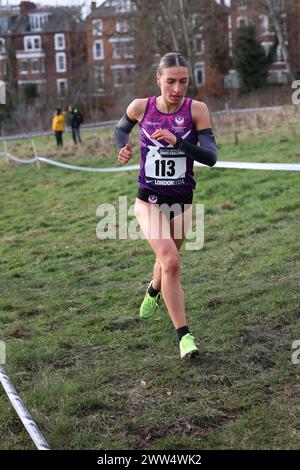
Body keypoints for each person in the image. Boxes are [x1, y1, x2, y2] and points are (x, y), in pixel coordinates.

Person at [114, 52, 217, 360]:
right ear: (158, 79)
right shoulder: (140, 107)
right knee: (171, 261)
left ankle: (153, 290)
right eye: (170, 81)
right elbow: (121, 129)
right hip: (148, 200)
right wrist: (122, 146)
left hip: (182, 202)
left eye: (183, 81)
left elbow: (211, 156)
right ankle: (184, 336)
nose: (177, 88)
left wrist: (177, 142)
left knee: (166, 260)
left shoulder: (196, 110)